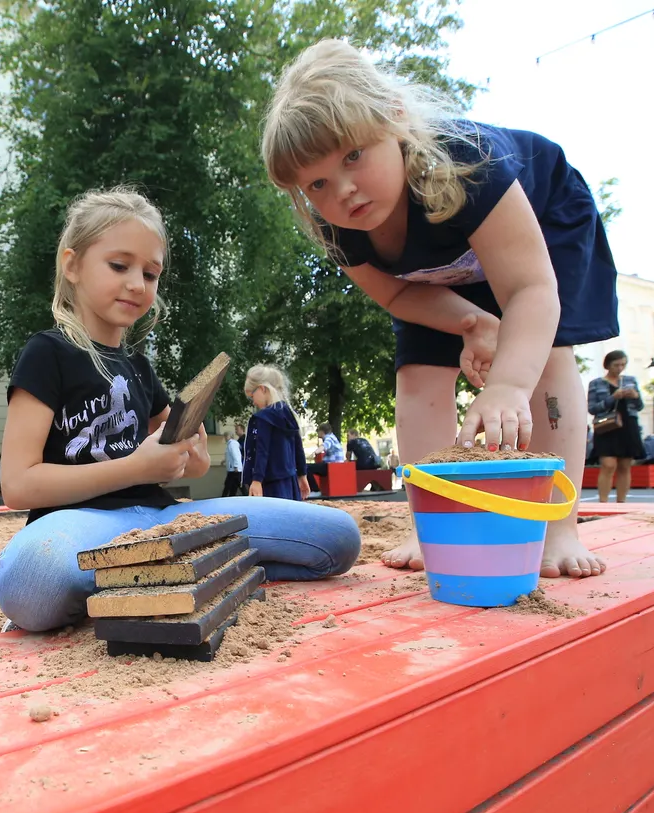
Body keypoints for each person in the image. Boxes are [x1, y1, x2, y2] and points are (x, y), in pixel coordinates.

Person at [262, 39, 615, 578]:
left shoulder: (467, 162)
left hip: (538, 226)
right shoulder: (340, 229)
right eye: (318, 183)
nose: (346, 190)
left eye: (354, 155)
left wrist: (506, 385)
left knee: (547, 356)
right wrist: (470, 322)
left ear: (397, 122)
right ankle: (433, 525)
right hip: (439, 271)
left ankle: (558, 526)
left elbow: (528, 289)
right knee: (418, 374)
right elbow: (401, 296)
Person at [0, 188, 360, 632]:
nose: (136, 284)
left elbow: (175, 444)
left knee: (339, 538)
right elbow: (17, 485)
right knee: (34, 582)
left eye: (150, 273)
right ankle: (174, 581)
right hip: (79, 526)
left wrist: (192, 456)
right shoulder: (47, 353)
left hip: (162, 520)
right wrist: (134, 468)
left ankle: (162, 584)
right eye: (119, 265)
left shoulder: (138, 368)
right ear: (72, 265)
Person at [243, 365, 313, 501]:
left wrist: (256, 480)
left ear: (263, 389)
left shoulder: (263, 418)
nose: (253, 402)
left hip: (270, 483)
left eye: (252, 396)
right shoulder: (289, 415)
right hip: (290, 481)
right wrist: (302, 474)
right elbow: (298, 447)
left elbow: (261, 450)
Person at [586, 351, 645, 503]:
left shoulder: (630, 380)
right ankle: (603, 502)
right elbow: (592, 408)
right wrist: (613, 397)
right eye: (616, 365)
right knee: (608, 464)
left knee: (625, 466)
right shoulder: (596, 383)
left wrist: (635, 396)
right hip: (607, 426)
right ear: (608, 365)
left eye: (623, 364)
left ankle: (621, 502)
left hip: (628, 425)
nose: (620, 368)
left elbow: (639, 406)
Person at [222, 423, 245, 496]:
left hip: (234, 469)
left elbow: (236, 455)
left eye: (226, 436)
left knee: (229, 485)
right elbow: (230, 456)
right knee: (234, 486)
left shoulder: (232, 444)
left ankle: (224, 498)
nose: (225, 438)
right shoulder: (232, 444)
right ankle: (229, 497)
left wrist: (236, 466)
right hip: (234, 469)